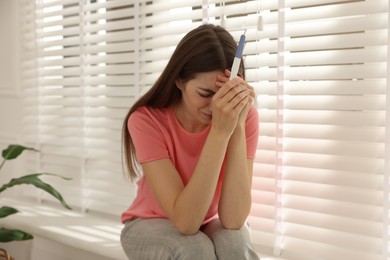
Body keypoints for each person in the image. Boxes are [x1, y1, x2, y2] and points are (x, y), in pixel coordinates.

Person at [120, 24, 260, 260]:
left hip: (205, 222)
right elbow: (186, 222)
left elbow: (234, 220)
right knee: (194, 250)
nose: (217, 108)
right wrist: (218, 133)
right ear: (179, 81)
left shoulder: (243, 117)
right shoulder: (146, 120)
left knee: (235, 243)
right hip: (149, 222)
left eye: (224, 96)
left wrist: (235, 126)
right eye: (205, 94)